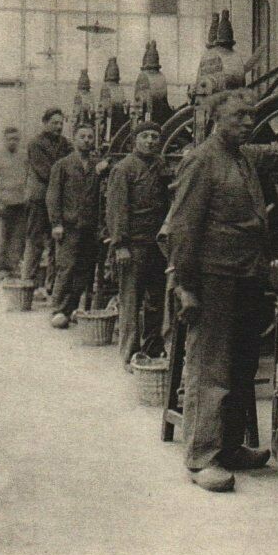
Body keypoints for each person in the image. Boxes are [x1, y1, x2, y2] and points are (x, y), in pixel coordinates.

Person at [165, 89, 278, 492]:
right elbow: (182, 228)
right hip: (213, 279)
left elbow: (270, 152)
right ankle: (202, 458)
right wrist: (186, 287)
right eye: (238, 115)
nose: (247, 121)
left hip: (247, 275)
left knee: (241, 367)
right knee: (210, 369)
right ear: (215, 118)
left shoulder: (242, 157)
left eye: (251, 115)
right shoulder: (201, 160)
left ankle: (230, 447)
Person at [106, 121, 168, 369]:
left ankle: (152, 349)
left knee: (156, 301)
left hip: (157, 245)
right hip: (133, 245)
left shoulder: (160, 166)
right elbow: (116, 210)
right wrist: (120, 244)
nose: (150, 141)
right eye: (145, 136)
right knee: (131, 301)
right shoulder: (124, 169)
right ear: (135, 140)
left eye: (155, 136)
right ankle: (129, 355)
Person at [46, 123, 108, 328]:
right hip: (69, 225)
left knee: (84, 269)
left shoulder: (97, 166)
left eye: (90, 137)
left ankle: (71, 308)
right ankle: (58, 310)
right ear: (74, 139)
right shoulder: (62, 165)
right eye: (82, 136)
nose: (87, 140)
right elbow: (53, 196)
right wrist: (56, 224)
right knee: (66, 268)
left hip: (89, 226)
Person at [22, 108, 72, 284]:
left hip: (57, 200)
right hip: (39, 199)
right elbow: (45, 172)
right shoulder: (35, 144)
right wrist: (68, 178)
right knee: (35, 241)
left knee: (55, 242)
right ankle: (28, 282)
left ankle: (52, 285)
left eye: (61, 123)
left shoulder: (65, 143)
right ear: (44, 123)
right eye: (54, 123)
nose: (59, 126)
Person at [0, 126, 29, 274]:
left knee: (17, 237)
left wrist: (26, 196)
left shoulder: (23, 157)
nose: (13, 142)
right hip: (1, 202)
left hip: (19, 202)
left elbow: (27, 177)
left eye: (16, 139)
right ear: (4, 140)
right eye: (10, 139)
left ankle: (13, 266)